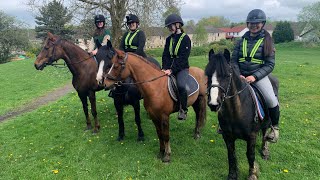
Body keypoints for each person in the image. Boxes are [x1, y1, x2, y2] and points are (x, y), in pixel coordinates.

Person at [231, 9, 280, 143]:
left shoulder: (267, 41)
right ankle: (224, 124)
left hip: (258, 77)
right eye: (251, 23)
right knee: (225, 94)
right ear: (247, 24)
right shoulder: (241, 41)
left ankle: (274, 128)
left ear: (262, 24)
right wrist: (237, 74)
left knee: (270, 99)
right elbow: (233, 60)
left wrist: (255, 77)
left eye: (257, 23)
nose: (254, 25)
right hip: (240, 76)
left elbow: (270, 64)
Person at [162, 14, 191, 120]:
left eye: (171, 26)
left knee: (181, 86)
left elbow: (183, 58)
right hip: (168, 68)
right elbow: (165, 55)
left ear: (178, 24)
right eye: (168, 27)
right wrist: (164, 68)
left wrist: (172, 70)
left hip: (182, 68)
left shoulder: (186, 39)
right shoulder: (169, 39)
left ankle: (183, 110)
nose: (169, 28)